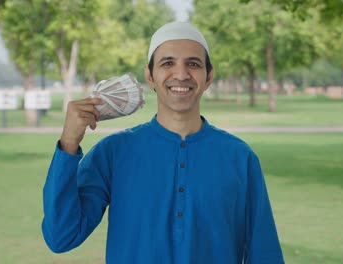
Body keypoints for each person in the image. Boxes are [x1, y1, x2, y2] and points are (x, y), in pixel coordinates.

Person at [42, 21, 284, 263]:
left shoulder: (239, 157)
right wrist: (69, 143)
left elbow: (265, 252)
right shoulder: (112, 153)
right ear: (150, 76)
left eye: (193, 64)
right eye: (167, 63)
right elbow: (62, 237)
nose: (180, 74)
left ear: (208, 76)